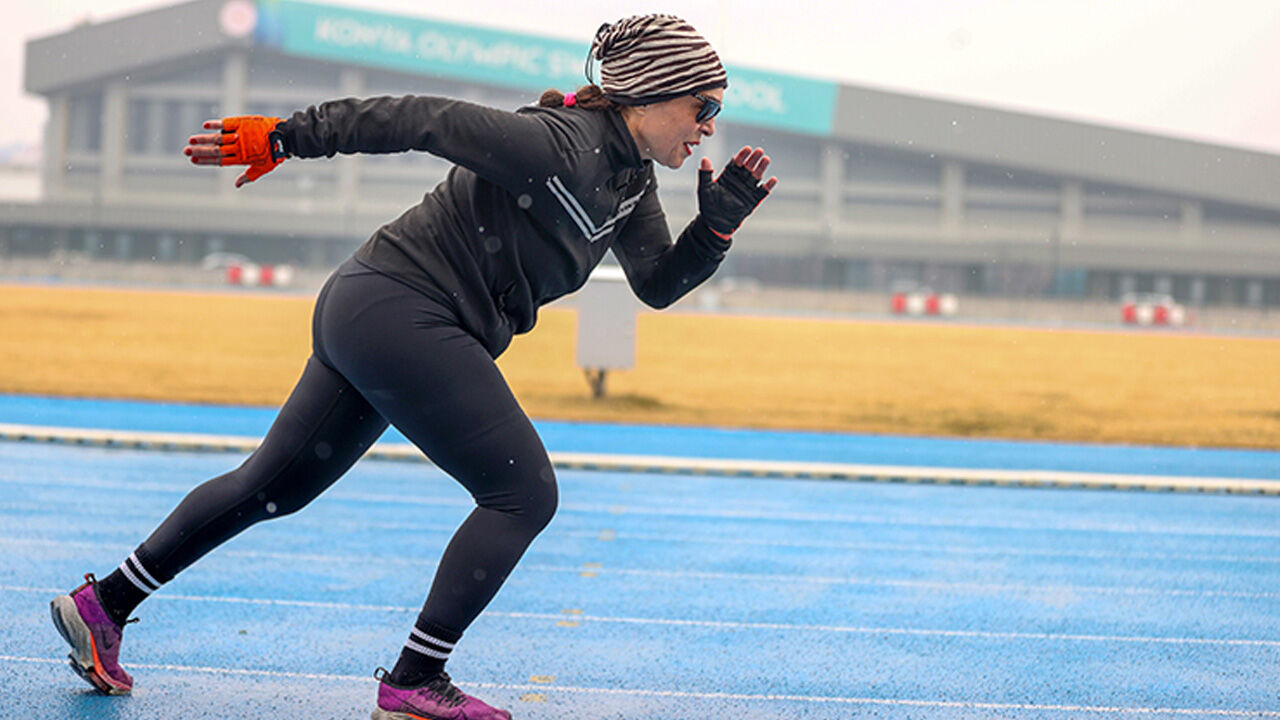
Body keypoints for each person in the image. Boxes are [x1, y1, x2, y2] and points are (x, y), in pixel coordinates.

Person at [49, 14, 777, 720]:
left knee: (273, 488)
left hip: (377, 312)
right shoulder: (555, 143)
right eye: (702, 104)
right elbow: (419, 118)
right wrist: (284, 137)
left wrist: (716, 227)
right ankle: (416, 679)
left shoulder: (632, 185)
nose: (709, 124)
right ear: (649, 91)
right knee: (523, 494)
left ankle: (104, 604)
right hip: (400, 310)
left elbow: (656, 285)